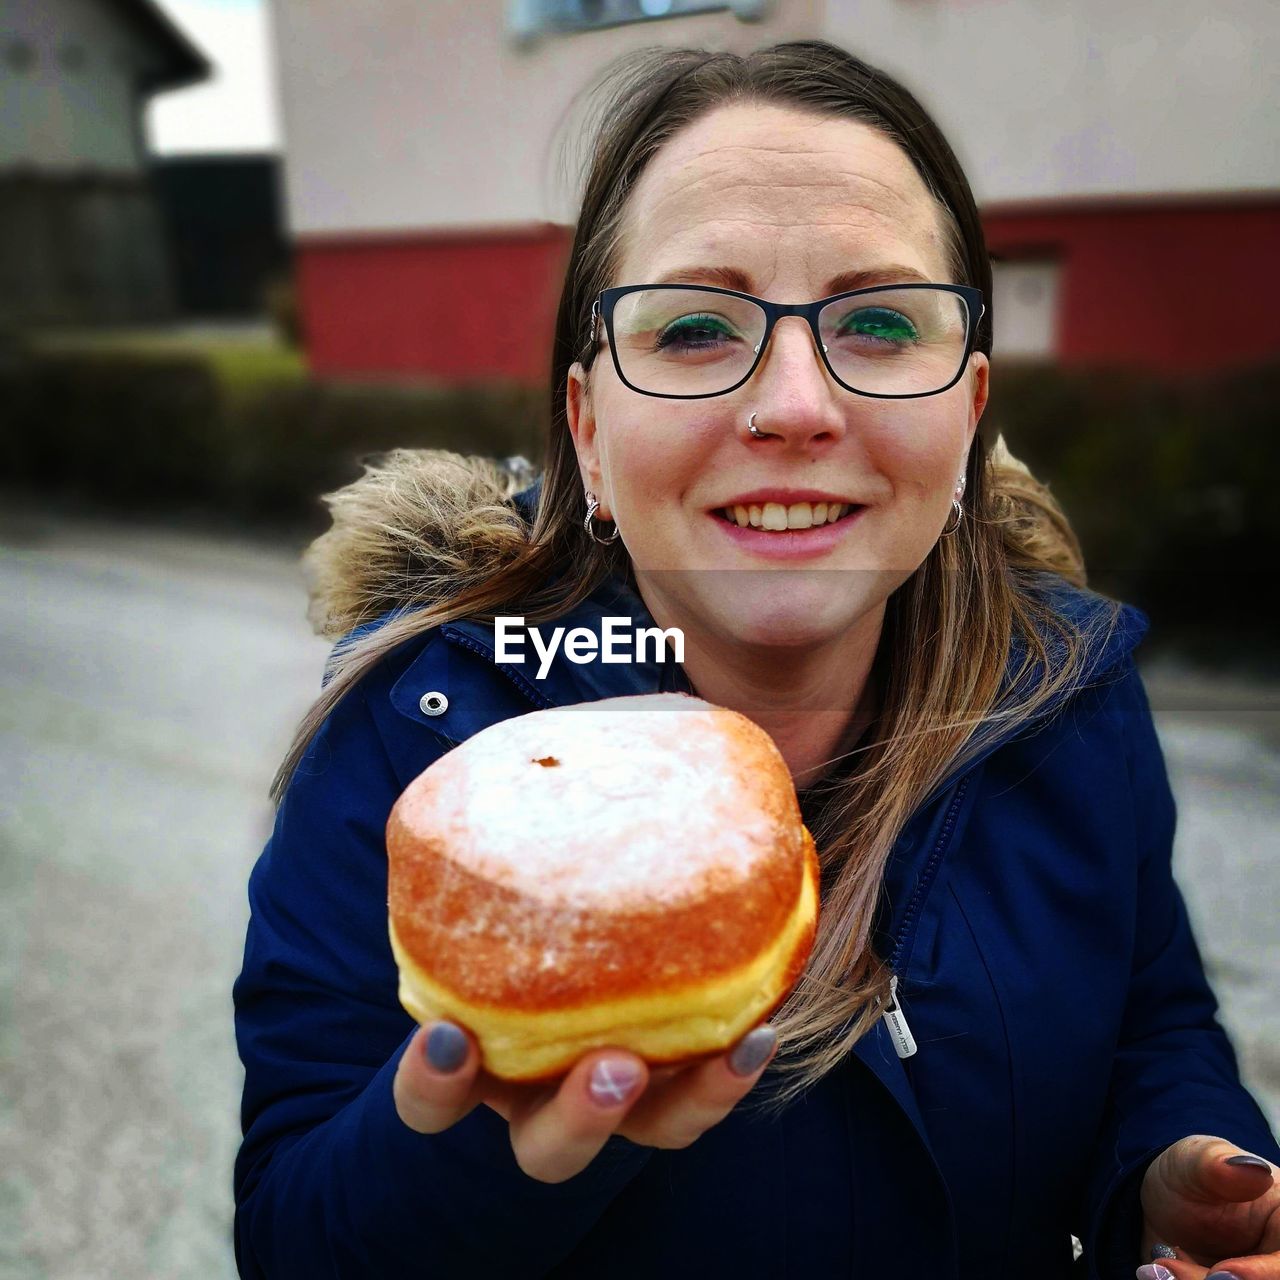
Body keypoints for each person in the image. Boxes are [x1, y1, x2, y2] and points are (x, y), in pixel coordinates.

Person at [231, 39, 1280, 1279]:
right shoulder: (420, 740)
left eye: (880, 321)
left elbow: (1148, 1020)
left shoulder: (1063, 694)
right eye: (692, 328)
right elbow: (299, 1239)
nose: (793, 404)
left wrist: (1166, 1168)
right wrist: (484, 1153)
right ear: (588, 433)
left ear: (967, 411)